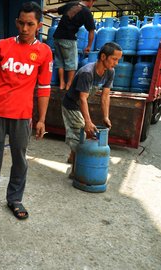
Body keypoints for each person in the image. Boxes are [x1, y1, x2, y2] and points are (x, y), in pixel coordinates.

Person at [0, 2, 52, 221]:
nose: (25, 29)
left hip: (22, 116)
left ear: (38, 25)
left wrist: (41, 119)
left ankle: (14, 199)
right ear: (17, 22)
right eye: (21, 23)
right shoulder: (3, 45)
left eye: (30, 24)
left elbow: (44, 89)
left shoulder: (44, 52)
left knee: (19, 159)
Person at [61, 42, 122, 178]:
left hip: (80, 104)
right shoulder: (87, 73)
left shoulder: (110, 72)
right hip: (71, 105)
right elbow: (82, 98)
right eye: (114, 59)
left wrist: (105, 116)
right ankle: (75, 172)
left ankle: (72, 157)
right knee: (79, 135)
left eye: (118, 60)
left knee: (83, 133)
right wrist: (88, 122)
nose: (116, 63)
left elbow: (105, 96)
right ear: (103, 56)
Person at [44, 0, 96, 91]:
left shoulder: (71, 4)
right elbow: (91, 31)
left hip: (57, 37)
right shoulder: (86, 12)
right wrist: (89, 46)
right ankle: (69, 85)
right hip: (69, 38)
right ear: (91, 1)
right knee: (72, 63)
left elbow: (57, 9)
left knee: (60, 61)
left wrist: (46, 11)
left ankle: (61, 83)